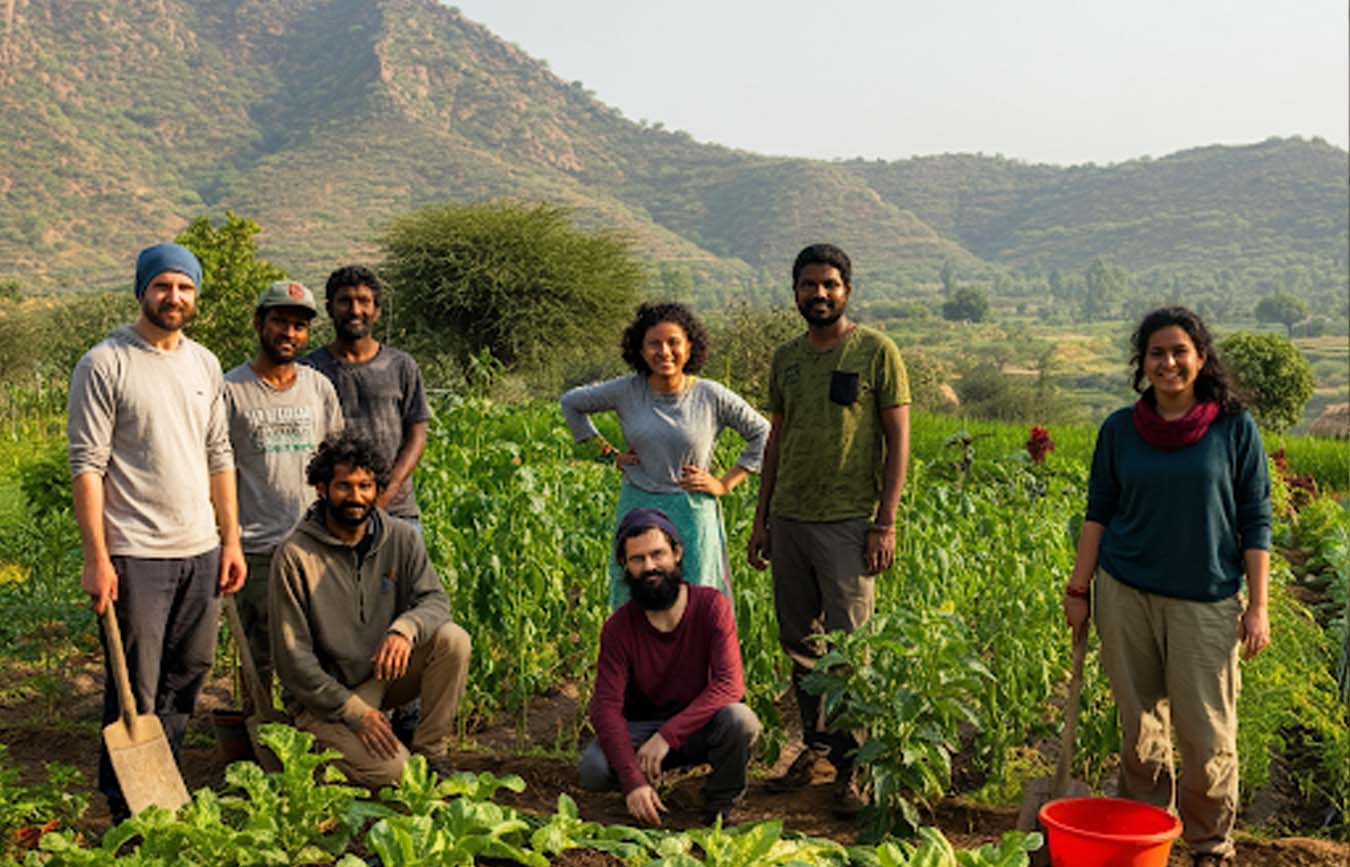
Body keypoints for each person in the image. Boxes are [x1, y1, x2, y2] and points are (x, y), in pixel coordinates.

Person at [1064, 306, 1270, 867]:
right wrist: (1079, 589)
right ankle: (1143, 837)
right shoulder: (1118, 430)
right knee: (1140, 729)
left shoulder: (1233, 428)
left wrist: (1258, 606)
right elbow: (1098, 512)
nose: (1169, 362)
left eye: (1180, 351)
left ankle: (1210, 844)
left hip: (1205, 602)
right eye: (1157, 353)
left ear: (1201, 359)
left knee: (1206, 736)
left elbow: (1256, 518)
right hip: (1125, 592)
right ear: (1143, 362)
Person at [67, 242, 247, 820]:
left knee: (188, 674)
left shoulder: (204, 363)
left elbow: (220, 454)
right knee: (134, 688)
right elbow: (87, 467)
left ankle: (159, 790)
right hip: (135, 553)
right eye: (164, 286)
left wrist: (232, 540)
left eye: (186, 288)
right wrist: (97, 558)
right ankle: (127, 809)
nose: (175, 297)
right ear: (142, 290)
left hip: (200, 549)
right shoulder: (106, 363)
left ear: (196, 295)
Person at [746, 243, 910, 815]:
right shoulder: (787, 358)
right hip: (789, 518)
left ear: (847, 290)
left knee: (850, 651)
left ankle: (856, 768)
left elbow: (898, 442)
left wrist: (884, 522)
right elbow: (777, 441)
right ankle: (816, 748)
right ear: (795, 291)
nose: (819, 294)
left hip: (847, 523)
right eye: (808, 285)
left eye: (830, 285)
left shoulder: (876, 353)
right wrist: (761, 518)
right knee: (801, 645)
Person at [269, 432, 471, 787]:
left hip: (379, 676)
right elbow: (293, 661)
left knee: (452, 640)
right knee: (397, 775)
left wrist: (404, 629)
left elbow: (436, 600)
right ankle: (318, 747)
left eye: (366, 485)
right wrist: (355, 713)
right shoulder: (295, 556)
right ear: (321, 488)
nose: (356, 497)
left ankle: (432, 754)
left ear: (378, 488)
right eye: (344, 486)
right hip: (326, 699)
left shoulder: (400, 538)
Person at [561, 302, 769, 609]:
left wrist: (724, 484)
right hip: (638, 503)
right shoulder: (626, 391)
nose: (665, 352)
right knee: (635, 593)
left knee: (698, 595)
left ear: (689, 347)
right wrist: (607, 454)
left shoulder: (710, 395)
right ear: (640, 350)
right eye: (654, 344)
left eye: (674, 342)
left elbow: (763, 433)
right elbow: (571, 403)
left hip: (692, 510)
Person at [579, 508, 761, 827]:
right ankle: (645, 786)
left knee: (740, 720)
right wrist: (632, 780)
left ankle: (720, 802)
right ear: (624, 564)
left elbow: (729, 684)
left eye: (657, 554)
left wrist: (666, 736)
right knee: (593, 769)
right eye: (637, 559)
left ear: (677, 553)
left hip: (696, 726)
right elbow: (606, 708)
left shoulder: (710, 606)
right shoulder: (619, 628)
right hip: (643, 728)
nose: (649, 566)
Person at [223, 280, 344, 703]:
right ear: (260, 324)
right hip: (256, 547)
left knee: (315, 650)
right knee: (261, 655)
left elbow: (336, 464)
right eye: (280, 322)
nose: (289, 333)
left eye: (299, 326)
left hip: (314, 545)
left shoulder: (319, 388)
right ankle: (260, 747)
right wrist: (227, 540)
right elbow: (216, 469)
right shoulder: (230, 391)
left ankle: (308, 743)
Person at [301, 265, 431, 530]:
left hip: (397, 512)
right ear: (329, 309)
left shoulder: (401, 366)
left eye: (364, 301)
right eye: (345, 301)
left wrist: (384, 493)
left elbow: (416, 436)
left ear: (377, 311)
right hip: (331, 515)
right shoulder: (309, 370)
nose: (355, 310)